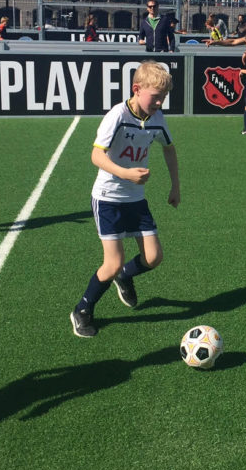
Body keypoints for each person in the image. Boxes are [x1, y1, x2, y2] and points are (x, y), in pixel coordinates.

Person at [71, 61, 181, 338]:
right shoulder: (117, 115)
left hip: (136, 199)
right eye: (156, 96)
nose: (159, 102)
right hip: (108, 197)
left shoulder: (157, 118)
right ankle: (83, 309)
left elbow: (169, 148)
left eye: (163, 97)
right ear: (136, 89)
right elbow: (96, 155)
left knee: (154, 257)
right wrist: (125, 173)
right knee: (112, 263)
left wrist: (175, 186)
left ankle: (126, 276)